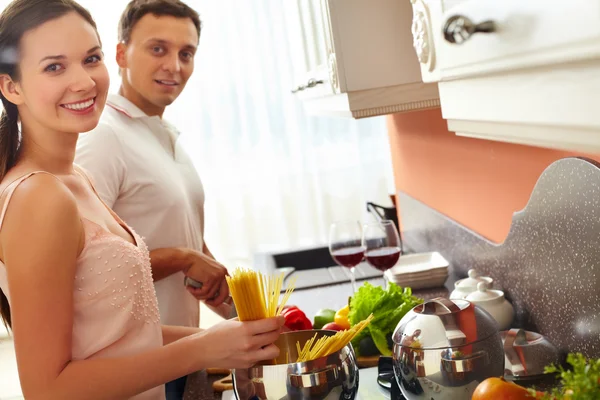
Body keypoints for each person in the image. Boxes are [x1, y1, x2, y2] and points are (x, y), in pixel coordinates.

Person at [0, 1, 283, 399]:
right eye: (54, 67)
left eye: (90, 58)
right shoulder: (38, 197)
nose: (83, 81)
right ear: (11, 87)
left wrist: (224, 338)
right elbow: (47, 390)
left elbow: (120, 335)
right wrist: (202, 348)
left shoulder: (74, 179)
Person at [74, 1, 233, 396]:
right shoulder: (103, 137)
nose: (174, 66)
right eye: (158, 49)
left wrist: (214, 277)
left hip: (178, 352)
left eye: (186, 53)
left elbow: (179, 230)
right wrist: (183, 257)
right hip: (139, 363)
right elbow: (82, 267)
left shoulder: (160, 132)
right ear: (121, 53)